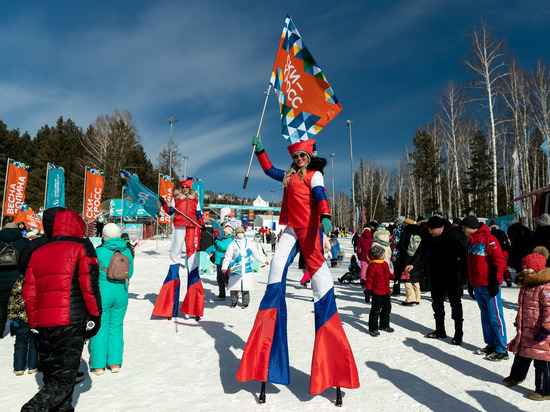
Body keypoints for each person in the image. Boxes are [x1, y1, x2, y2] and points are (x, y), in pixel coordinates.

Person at [236, 135, 359, 396]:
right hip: (292, 228)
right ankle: (267, 344)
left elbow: (321, 195)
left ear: (310, 157)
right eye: (296, 156)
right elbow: (270, 170)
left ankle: (332, 353)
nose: (299, 159)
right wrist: (261, 151)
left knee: (323, 282)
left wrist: (325, 216)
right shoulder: (290, 176)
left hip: (311, 229)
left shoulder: (314, 175)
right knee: (275, 271)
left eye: (303, 156)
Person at [22, 208, 102, 411]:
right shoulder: (82, 246)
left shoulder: (37, 251)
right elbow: (89, 286)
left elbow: (29, 293)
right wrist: (95, 315)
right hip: (70, 322)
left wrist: (34, 323)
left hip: (45, 324)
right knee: (63, 382)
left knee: (53, 379)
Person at [406, 216, 467, 343]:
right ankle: (440, 330)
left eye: (432, 229)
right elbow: (421, 251)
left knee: (455, 303)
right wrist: (413, 263)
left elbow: (464, 253)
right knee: (437, 303)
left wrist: (463, 273)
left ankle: (458, 334)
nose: (429, 232)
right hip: (435, 274)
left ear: (440, 228)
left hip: (451, 275)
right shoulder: (428, 236)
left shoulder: (452, 236)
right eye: (429, 229)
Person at [154, 178, 205, 320]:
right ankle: (170, 307)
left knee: (192, 258)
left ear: (190, 189)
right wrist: (164, 203)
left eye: (187, 188)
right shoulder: (176, 198)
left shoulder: (195, 200)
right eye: (183, 188)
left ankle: (192, 307)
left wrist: (202, 223)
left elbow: (199, 214)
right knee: (175, 256)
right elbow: (170, 211)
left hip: (191, 227)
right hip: (178, 227)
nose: (184, 190)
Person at [504, 246, 550, 401]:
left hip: (541, 333)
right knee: (521, 355)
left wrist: (545, 329)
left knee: (542, 361)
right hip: (526, 330)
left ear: (537, 269)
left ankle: (544, 391)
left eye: (528, 268)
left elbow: (549, 311)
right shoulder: (527, 285)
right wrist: (519, 323)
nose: (525, 270)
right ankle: (516, 377)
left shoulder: (544, 287)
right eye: (523, 267)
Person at [89, 223, 134, 375]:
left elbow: (92, 273)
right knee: (116, 327)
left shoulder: (99, 252)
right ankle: (115, 363)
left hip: (103, 292)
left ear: (104, 236)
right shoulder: (127, 252)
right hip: (121, 293)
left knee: (100, 327)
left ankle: (98, 365)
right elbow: (130, 273)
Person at [462, 215, 509, 361]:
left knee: (495, 316)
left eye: (464, 227)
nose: (462, 229)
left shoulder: (488, 238)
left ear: (471, 227)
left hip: (489, 284)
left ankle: (502, 348)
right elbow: (472, 264)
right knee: (485, 316)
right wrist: (470, 283)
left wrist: (496, 280)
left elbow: (499, 260)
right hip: (477, 284)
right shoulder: (471, 240)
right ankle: (491, 344)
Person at [221, 226, 269, 308]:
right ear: (236, 234)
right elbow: (227, 257)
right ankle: (234, 302)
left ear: (244, 233)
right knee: (234, 287)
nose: (240, 234)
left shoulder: (249, 244)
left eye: (242, 232)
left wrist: (264, 261)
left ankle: (245, 303)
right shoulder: (232, 244)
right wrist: (224, 267)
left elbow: (256, 254)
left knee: (246, 287)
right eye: (238, 233)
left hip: (246, 269)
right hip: (236, 269)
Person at [366, 245, 404, 336]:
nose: (385, 254)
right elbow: (369, 279)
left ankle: (384, 325)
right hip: (377, 293)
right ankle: (373, 328)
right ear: (378, 255)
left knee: (387, 309)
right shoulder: (372, 266)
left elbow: (389, 275)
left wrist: (398, 277)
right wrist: (368, 291)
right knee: (375, 311)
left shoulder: (385, 264)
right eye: (383, 253)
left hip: (386, 292)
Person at [0, 222, 29, 338]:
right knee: (16, 305)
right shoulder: (24, 242)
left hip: (1, 281)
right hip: (18, 280)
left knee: (1, 306)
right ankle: (15, 329)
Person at [8, 274, 38, 375]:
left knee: (20, 342)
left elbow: (14, 298)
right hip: (35, 315)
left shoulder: (21, 279)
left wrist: (13, 315)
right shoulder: (39, 276)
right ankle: (32, 366)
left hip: (21, 316)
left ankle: (18, 367)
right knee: (34, 342)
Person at [212, 224, 234, 301]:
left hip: (223, 261)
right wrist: (215, 242)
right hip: (218, 260)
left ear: (229, 232)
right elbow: (218, 247)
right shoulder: (224, 239)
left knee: (224, 278)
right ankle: (222, 295)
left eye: (225, 232)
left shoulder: (230, 240)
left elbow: (224, 247)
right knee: (219, 279)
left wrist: (217, 241)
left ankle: (234, 289)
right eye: (224, 232)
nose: (224, 233)